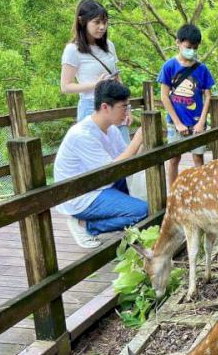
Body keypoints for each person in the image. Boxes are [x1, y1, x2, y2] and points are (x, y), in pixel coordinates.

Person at [54, 80, 148, 249]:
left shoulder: (111, 129)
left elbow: (127, 160)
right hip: (80, 195)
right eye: (123, 107)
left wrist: (143, 141)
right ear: (105, 107)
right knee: (142, 211)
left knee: (149, 197)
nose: (127, 112)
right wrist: (136, 140)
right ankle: (85, 226)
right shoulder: (82, 135)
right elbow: (111, 170)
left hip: (100, 184)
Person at [60, 0, 131, 142]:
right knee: (94, 153)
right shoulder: (72, 50)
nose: (102, 27)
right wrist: (96, 85)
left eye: (104, 22)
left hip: (115, 105)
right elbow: (65, 86)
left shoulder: (109, 46)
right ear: (82, 21)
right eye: (97, 22)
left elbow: (117, 79)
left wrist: (126, 107)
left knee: (123, 152)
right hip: (91, 107)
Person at [158, 24, 215, 184]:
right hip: (175, 122)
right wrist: (177, 123)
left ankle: (200, 192)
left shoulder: (202, 69)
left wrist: (201, 122)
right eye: (188, 47)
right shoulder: (169, 66)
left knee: (198, 158)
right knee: (173, 159)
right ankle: (173, 192)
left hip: (196, 121)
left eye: (195, 48)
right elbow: (164, 96)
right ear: (178, 42)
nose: (191, 51)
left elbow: (208, 96)